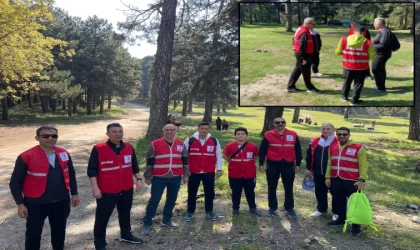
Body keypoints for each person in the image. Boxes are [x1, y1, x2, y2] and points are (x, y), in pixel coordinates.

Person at [9, 125, 80, 250]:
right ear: (37, 138)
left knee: (59, 231)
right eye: (45, 136)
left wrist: (74, 193)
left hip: (61, 201)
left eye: (54, 136)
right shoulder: (26, 156)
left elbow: (71, 174)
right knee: (33, 233)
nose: (50, 138)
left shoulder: (63, 153)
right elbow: (15, 182)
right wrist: (20, 204)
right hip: (35, 203)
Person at [87, 123, 143, 249]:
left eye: (120, 131)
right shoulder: (99, 148)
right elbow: (92, 170)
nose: (118, 134)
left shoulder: (128, 146)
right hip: (107, 190)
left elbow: (134, 165)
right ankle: (100, 243)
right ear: (108, 134)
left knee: (125, 213)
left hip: (126, 188)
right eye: (114, 131)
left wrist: (138, 179)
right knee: (102, 218)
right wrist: (95, 187)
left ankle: (126, 234)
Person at [142, 124, 189, 236]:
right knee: (154, 200)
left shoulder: (181, 144)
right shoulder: (155, 143)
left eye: (172, 130)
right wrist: (148, 176)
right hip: (159, 177)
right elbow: (150, 161)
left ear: (176, 131)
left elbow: (186, 161)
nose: (169, 132)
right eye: (167, 130)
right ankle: (148, 222)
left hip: (175, 177)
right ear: (163, 131)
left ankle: (166, 219)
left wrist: (186, 175)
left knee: (172, 199)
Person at [325, 127, 368, 236]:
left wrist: (362, 180)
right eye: (339, 134)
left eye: (344, 134)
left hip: (353, 181)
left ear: (349, 135)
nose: (342, 136)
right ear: (336, 135)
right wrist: (328, 177)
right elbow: (330, 163)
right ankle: (341, 219)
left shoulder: (359, 147)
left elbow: (363, 165)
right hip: (336, 179)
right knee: (339, 201)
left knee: (354, 204)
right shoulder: (333, 147)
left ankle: (356, 225)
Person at [259, 117, 302, 218]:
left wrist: (298, 163)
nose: (280, 124)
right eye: (277, 122)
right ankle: (272, 207)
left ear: (285, 123)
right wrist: (261, 163)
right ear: (274, 124)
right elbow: (262, 150)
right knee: (272, 186)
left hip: (288, 164)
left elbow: (298, 150)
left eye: (282, 122)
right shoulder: (268, 134)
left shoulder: (293, 134)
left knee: (288, 187)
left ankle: (289, 207)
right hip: (273, 164)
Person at [184, 122, 222, 221]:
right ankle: (190, 212)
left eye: (206, 129)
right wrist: (185, 170)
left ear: (209, 130)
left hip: (208, 171)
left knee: (210, 192)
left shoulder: (214, 141)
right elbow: (184, 156)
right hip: (193, 172)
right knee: (192, 192)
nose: (204, 130)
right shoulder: (189, 140)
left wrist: (219, 169)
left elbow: (218, 155)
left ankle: (209, 211)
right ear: (198, 129)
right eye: (202, 128)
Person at [223, 127, 263, 217]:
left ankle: (252, 207)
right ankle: (235, 208)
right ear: (235, 136)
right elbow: (225, 155)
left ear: (246, 135)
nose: (240, 136)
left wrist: (248, 162)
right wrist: (232, 161)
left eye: (243, 134)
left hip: (249, 173)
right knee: (236, 192)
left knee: (250, 191)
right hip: (235, 173)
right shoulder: (229, 146)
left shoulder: (253, 146)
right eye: (238, 134)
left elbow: (255, 156)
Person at [335, 25, 375, 106]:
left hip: (347, 66)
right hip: (362, 67)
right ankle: (354, 101)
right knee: (358, 84)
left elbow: (337, 52)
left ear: (353, 31)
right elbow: (372, 56)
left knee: (347, 81)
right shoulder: (367, 42)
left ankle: (344, 96)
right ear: (364, 32)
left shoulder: (344, 39)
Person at [305, 123, 338, 219]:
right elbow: (309, 156)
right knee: (319, 191)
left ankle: (337, 212)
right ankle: (321, 209)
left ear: (333, 130)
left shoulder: (337, 141)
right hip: (318, 171)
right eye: (323, 128)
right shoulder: (315, 141)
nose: (326, 130)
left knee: (335, 192)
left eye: (328, 128)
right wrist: (309, 168)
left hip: (333, 172)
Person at [286, 17, 321, 93]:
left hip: (299, 53)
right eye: (313, 24)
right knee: (306, 71)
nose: (314, 26)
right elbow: (302, 46)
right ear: (308, 24)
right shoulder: (304, 32)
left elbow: (294, 39)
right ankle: (310, 88)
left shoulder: (300, 29)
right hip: (302, 54)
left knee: (298, 69)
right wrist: (304, 58)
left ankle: (290, 86)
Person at [372, 17, 392, 93]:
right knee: (381, 70)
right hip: (380, 53)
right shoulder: (381, 31)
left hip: (381, 54)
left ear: (378, 24)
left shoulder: (385, 32)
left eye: (374, 23)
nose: (373, 24)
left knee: (376, 69)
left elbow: (382, 45)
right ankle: (380, 85)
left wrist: (371, 46)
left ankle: (381, 88)